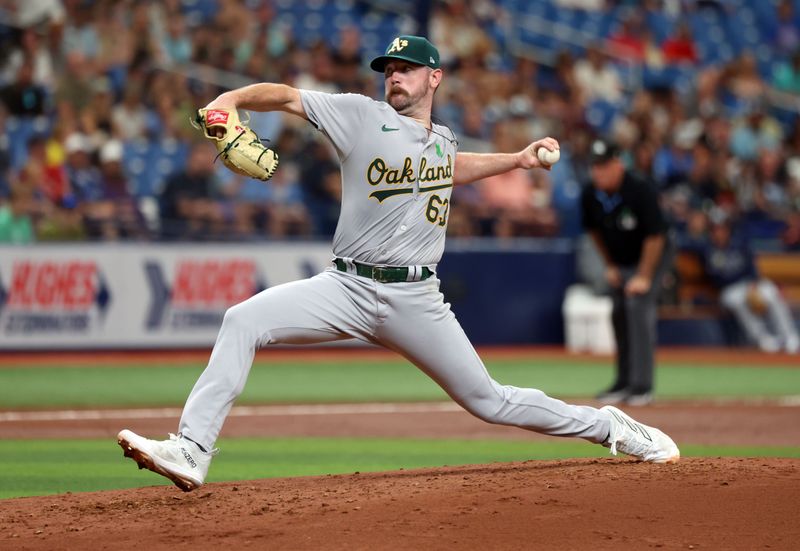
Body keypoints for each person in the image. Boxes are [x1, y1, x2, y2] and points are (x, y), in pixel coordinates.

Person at [117, 36, 679, 492]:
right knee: (243, 319)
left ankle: (611, 426)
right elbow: (287, 96)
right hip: (347, 286)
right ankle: (191, 450)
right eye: (389, 68)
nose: (395, 76)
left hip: (416, 299)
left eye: (407, 68)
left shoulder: (441, 140)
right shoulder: (359, 116)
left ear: (434, 78)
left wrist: (516, 159)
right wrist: (232, 100)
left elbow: (450, 167)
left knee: (490, 401)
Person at [581, 138, 674, 406]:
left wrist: (643, 276)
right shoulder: (591, 194)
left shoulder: (639, 189)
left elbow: (656, 236)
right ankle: (623, 382)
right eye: (595, 167)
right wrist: (610, 265)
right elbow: (594, 232)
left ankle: (642, 386)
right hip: (622, 258)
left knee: (637, 305)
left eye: (604, 166)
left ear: (618, 164)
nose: (598, 172)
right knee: (618, 310)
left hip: (653, 254)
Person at [696, 213, 799, 354]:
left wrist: (753, 284)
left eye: (721, 229)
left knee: (771, 293)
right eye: (714, 229)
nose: (718, 232)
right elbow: (683, 242)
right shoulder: (706, 248)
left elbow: (752, 267)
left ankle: (789, 336)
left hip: (750, 283)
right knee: (737, 301)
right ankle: (762, 339)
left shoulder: (739, 244)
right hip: (729, 289)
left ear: (727, 230)